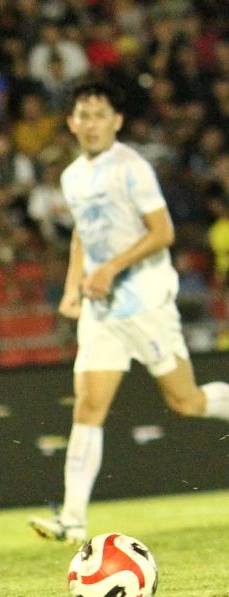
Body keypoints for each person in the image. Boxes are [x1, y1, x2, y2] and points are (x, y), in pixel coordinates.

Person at [29, 81, 229, 543]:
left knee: (186, 402)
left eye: (101, 114)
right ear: (72, 122)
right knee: (89, 406)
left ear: (116, 121)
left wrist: (112, 268)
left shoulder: (132, 167)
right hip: (102, 307)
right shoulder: (72, 176)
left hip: (146, 301)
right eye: (84, 114)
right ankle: (72, 519)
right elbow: (82, 232)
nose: (91, 123)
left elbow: (163, 232)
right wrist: (74, 285)